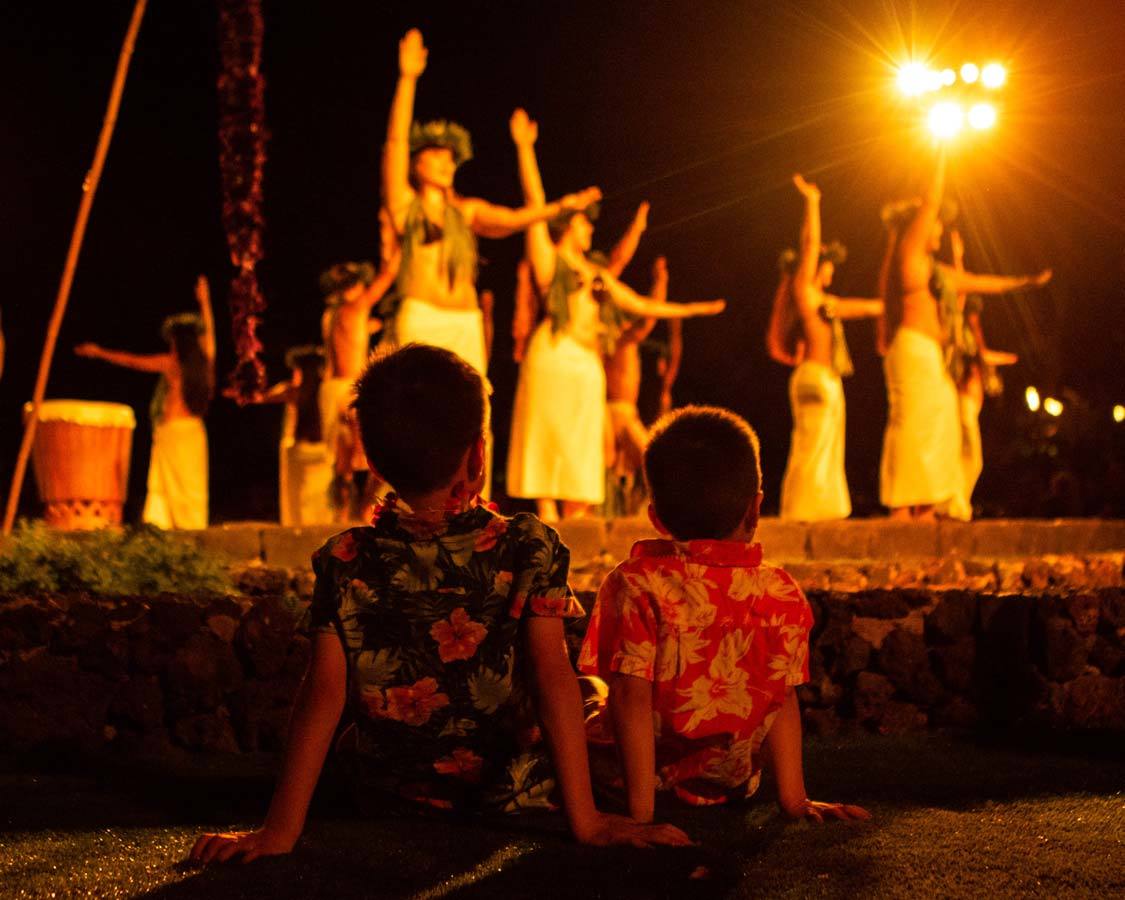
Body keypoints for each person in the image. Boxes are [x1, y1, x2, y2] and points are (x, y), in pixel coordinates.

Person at [188, 345, 691, 864]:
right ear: (477, 455)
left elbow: (323, 694)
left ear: (376, 462)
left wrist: (277, 834)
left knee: (351, 744)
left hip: (391, 792)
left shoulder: (344, 559)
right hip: (510, 791)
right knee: (589, 689)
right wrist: (586, 822)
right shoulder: (528, 547)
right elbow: (549, 675)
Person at [578, 406, 870, 823]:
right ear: (755, 510)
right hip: (729, 783)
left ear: (656, 517)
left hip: (624, 780)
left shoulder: (635, 583)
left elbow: (629, 695)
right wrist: (795, 799)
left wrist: (640, 815)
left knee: (582, 688)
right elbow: (782, 696)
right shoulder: (781, 591)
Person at [507, 108, 725, 522]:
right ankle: (549, 515)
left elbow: (642, 305)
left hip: (586, 363)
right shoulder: (549, 263)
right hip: (552, 354)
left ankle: (574, 515)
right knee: (548, 433)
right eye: (585, 225)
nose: (591, 231)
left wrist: (695, 309)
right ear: (569, 226)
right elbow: (535, 206)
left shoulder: (596, 274)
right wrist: (524, 149)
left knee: (579, 437)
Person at [382, 29, 600, 378]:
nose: (445, 163)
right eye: (435, 155)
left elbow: (513, 220)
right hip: (421, 319)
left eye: (451, 158)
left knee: (471, 420)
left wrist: (561, 207)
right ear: (416, 164)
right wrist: (408, 79)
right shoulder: (405, 206)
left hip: (465, 323)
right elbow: (395, 143)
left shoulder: (466, 212)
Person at [879, 151, 1052, 520]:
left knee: (938, 420)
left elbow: (980, 282)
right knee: (914, 423)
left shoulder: (934, 271)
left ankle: (924, 505)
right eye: (935, 225)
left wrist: (1024, 282)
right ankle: (901, 507)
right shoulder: (910, 257)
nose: (938, 230)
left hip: (927, 355)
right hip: (914, 350)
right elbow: (931, 203)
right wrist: (942, 154)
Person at [767, 175, 883, 522]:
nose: (831, 271)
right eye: (827, 265)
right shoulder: (807, 293)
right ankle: (802, 513)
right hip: (816, 376)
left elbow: (863, 307)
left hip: (821, 378)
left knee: (819, 445)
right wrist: (813, 203)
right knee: (814, 444)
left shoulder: (823, 302)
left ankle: (815, 510)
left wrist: (891, 305)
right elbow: (809, 243)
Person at [75, 275, 215, 529]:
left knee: (169, 487)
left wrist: (99, 352)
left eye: (173, 341)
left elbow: (130, 360)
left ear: (178, 343)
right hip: (193, 432)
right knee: (190, 487)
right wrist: (205, 303)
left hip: (174, 433)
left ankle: (169, 531)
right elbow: (209, 334)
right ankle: (192, 529)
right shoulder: (205, 361)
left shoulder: (172, 365)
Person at [320, 222, 399, 520]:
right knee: (369, 452)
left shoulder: (331, 315)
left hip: (330, 388)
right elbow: (387, 276)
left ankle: (342, 513)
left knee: (342, 457)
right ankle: (363, 508)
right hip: (348, 388)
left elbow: (347, 339)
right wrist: (393, 240)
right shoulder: (356, 307)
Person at [242, 346, 334, 527]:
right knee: (320, 498)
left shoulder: (292, 391)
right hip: (322, 452)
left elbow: (263, 397)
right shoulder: (326, 390)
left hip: (299, 451)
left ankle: (296, 526)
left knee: (297, 498)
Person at [605, 256, 667, 517]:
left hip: (623, 410)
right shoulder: (621, 337)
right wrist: (661, 284)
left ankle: (636, 510)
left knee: (636, 461)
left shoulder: (616, 338)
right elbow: (648, 319)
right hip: (615, 412)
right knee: (648, 458)